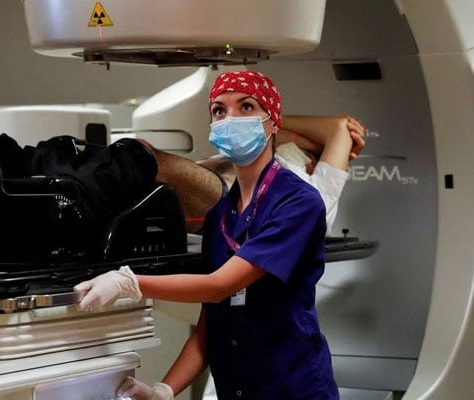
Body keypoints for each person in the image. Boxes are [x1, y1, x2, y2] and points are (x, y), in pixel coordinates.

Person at [75, 70, 340, 399]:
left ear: (273, 123)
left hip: (292, 387)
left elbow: (219, 287)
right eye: (219, 110)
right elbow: (211, 325)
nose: (231, 118)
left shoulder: (298, 202)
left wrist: (130, 282)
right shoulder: (221, 215)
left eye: (246, 107)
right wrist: (164, 390)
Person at [142, 114, 365, 234]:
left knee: (146, 157)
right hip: (214, 180)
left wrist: (269, 119)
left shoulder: (319, 199)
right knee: (143, 160)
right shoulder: (268, 155)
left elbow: (339, 127)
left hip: (228, 201)